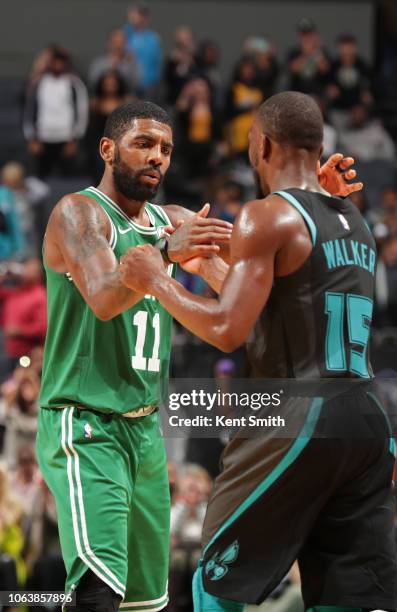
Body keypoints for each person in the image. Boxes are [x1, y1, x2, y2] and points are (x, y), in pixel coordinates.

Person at [119, 92, 397, 611]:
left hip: (299, 412)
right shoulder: (355, 221)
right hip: (367, 419)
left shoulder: (265, 215)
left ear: (263, 144)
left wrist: (159, 281)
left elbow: (228, 331)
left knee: (214, 582)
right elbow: (285, 311)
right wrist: (206, 271)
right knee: (347, 597)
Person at [35, 99, 234, 612]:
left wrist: (312, 203)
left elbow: (240, 300)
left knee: (147, 604)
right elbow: (104, 298)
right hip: (86, 422)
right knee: (99, 593)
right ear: (108, 149)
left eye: (166, 149)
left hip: (146, 433)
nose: (157, 158)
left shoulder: (174, 221)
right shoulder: (79, 213)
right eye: (144, 143)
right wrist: (169, 255)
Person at [23, 47, 89, 179]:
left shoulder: (74, 83)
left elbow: (82, 112)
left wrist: (76, 139)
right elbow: (29, 111)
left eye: (61, 61)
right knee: (40, 179)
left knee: (69, 178)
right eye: (54, 61)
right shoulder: (38, 82)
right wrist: (32, 138)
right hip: (43, 139)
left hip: (67, 139)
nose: (58, 65)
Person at [124, 4, 162, 98]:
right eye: (132, 15)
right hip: (128, 84)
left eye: (136, 15)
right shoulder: (124, 34)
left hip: (149, 85)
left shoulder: (153, 38)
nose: (133, 18)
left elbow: (156, 62)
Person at [88, 29, 139, 94]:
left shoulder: (131, 63)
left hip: (126, 100)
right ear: (108, 43)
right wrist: (111, 66)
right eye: (115, 42)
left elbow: (136, 85)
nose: (118, 46)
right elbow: (93, 83)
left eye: (122, 43)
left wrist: (120, 65)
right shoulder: (98, 63)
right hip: (102, 100)